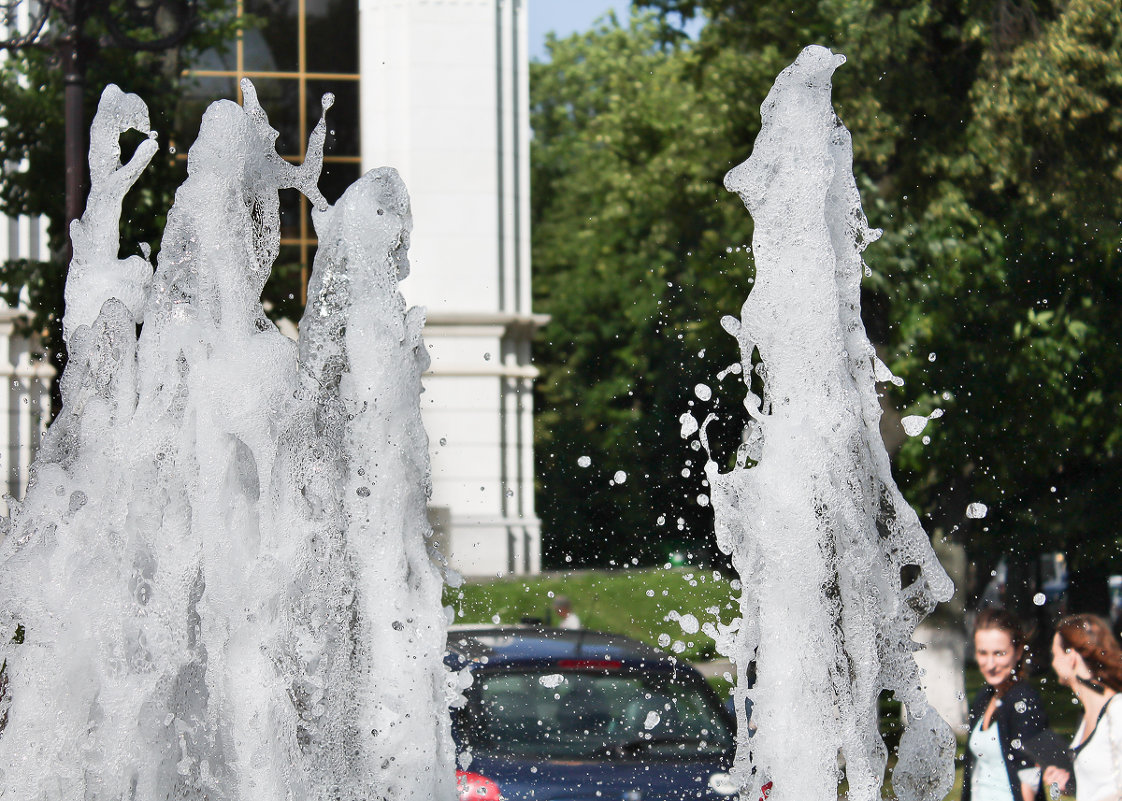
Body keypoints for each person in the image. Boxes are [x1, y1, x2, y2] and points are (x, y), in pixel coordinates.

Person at [963, 607, 1049, 801]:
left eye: (999, 653)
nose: (991, 664)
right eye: (983, 653)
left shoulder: (1024, 700)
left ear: (1018, 652)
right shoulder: (984, 698)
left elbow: (1029, 776)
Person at [1042, 615, 1122, 800]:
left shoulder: (1117, 710)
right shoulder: (1086, 715)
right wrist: (1069, 783)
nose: (1053, 663)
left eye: (1055, 655)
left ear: (1071, 657)